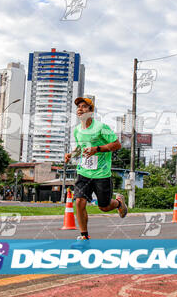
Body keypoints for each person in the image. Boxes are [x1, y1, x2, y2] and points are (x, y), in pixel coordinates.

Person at [65, 97, 127, 247]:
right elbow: (80, 148)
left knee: (104, 207)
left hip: (101, 173)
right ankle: (84, 237)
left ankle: (119, 203)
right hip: (84, 172)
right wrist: (71, 155)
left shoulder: (101, 127)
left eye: (84, 106)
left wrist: (97, 149)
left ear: (91, 111)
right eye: (79, 107)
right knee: (79, 201)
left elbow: (117, 144)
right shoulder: (77, 130)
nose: (80, 109)